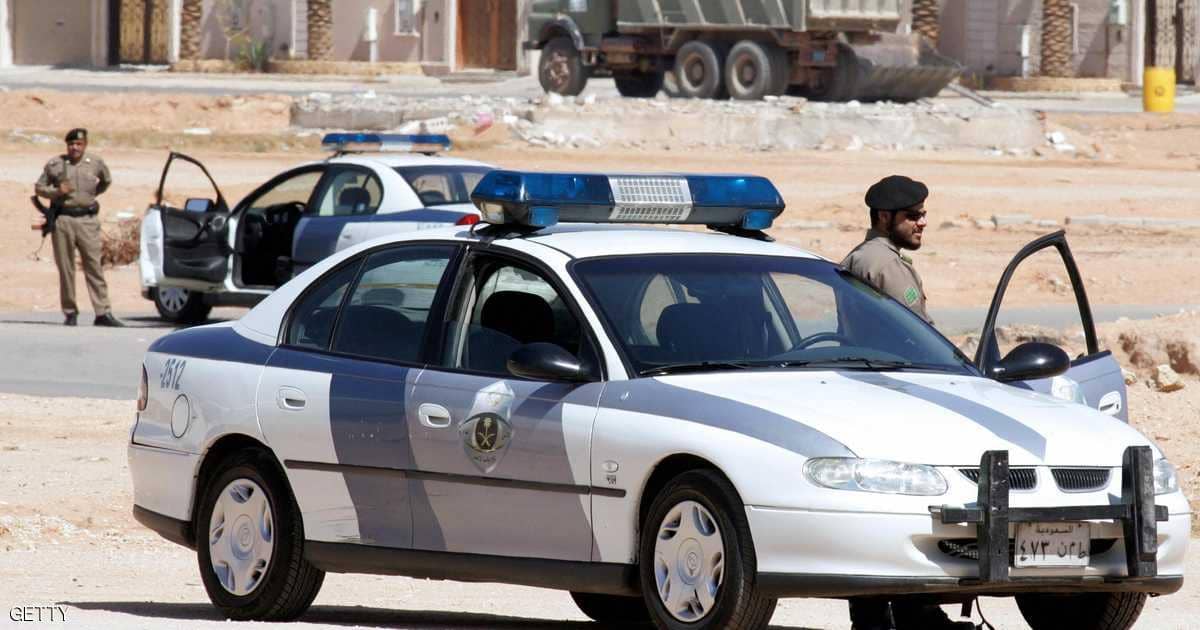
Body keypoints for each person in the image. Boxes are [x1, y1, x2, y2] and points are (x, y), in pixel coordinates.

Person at [843, 176, 970, 630]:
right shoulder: (883, 264)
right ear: (884, 217)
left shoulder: (869, 257)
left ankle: (892, 613)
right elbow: (916, 332)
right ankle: (907, 613)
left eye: (923, 214)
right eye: (913, 215)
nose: (922, 222)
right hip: (893, 396)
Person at [34, 128, 123, 327]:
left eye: (78, 144)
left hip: (87, 221)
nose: (74, 148)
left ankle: (103, 312)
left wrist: (90, 196)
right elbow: (39, 188)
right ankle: (70, 312)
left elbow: (106, 181)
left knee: (94, 266)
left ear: (85, 145)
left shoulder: (95, 163)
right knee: (66, 268)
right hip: (63, 220)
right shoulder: (55, 164)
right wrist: (57, 191)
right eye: (71, 144)